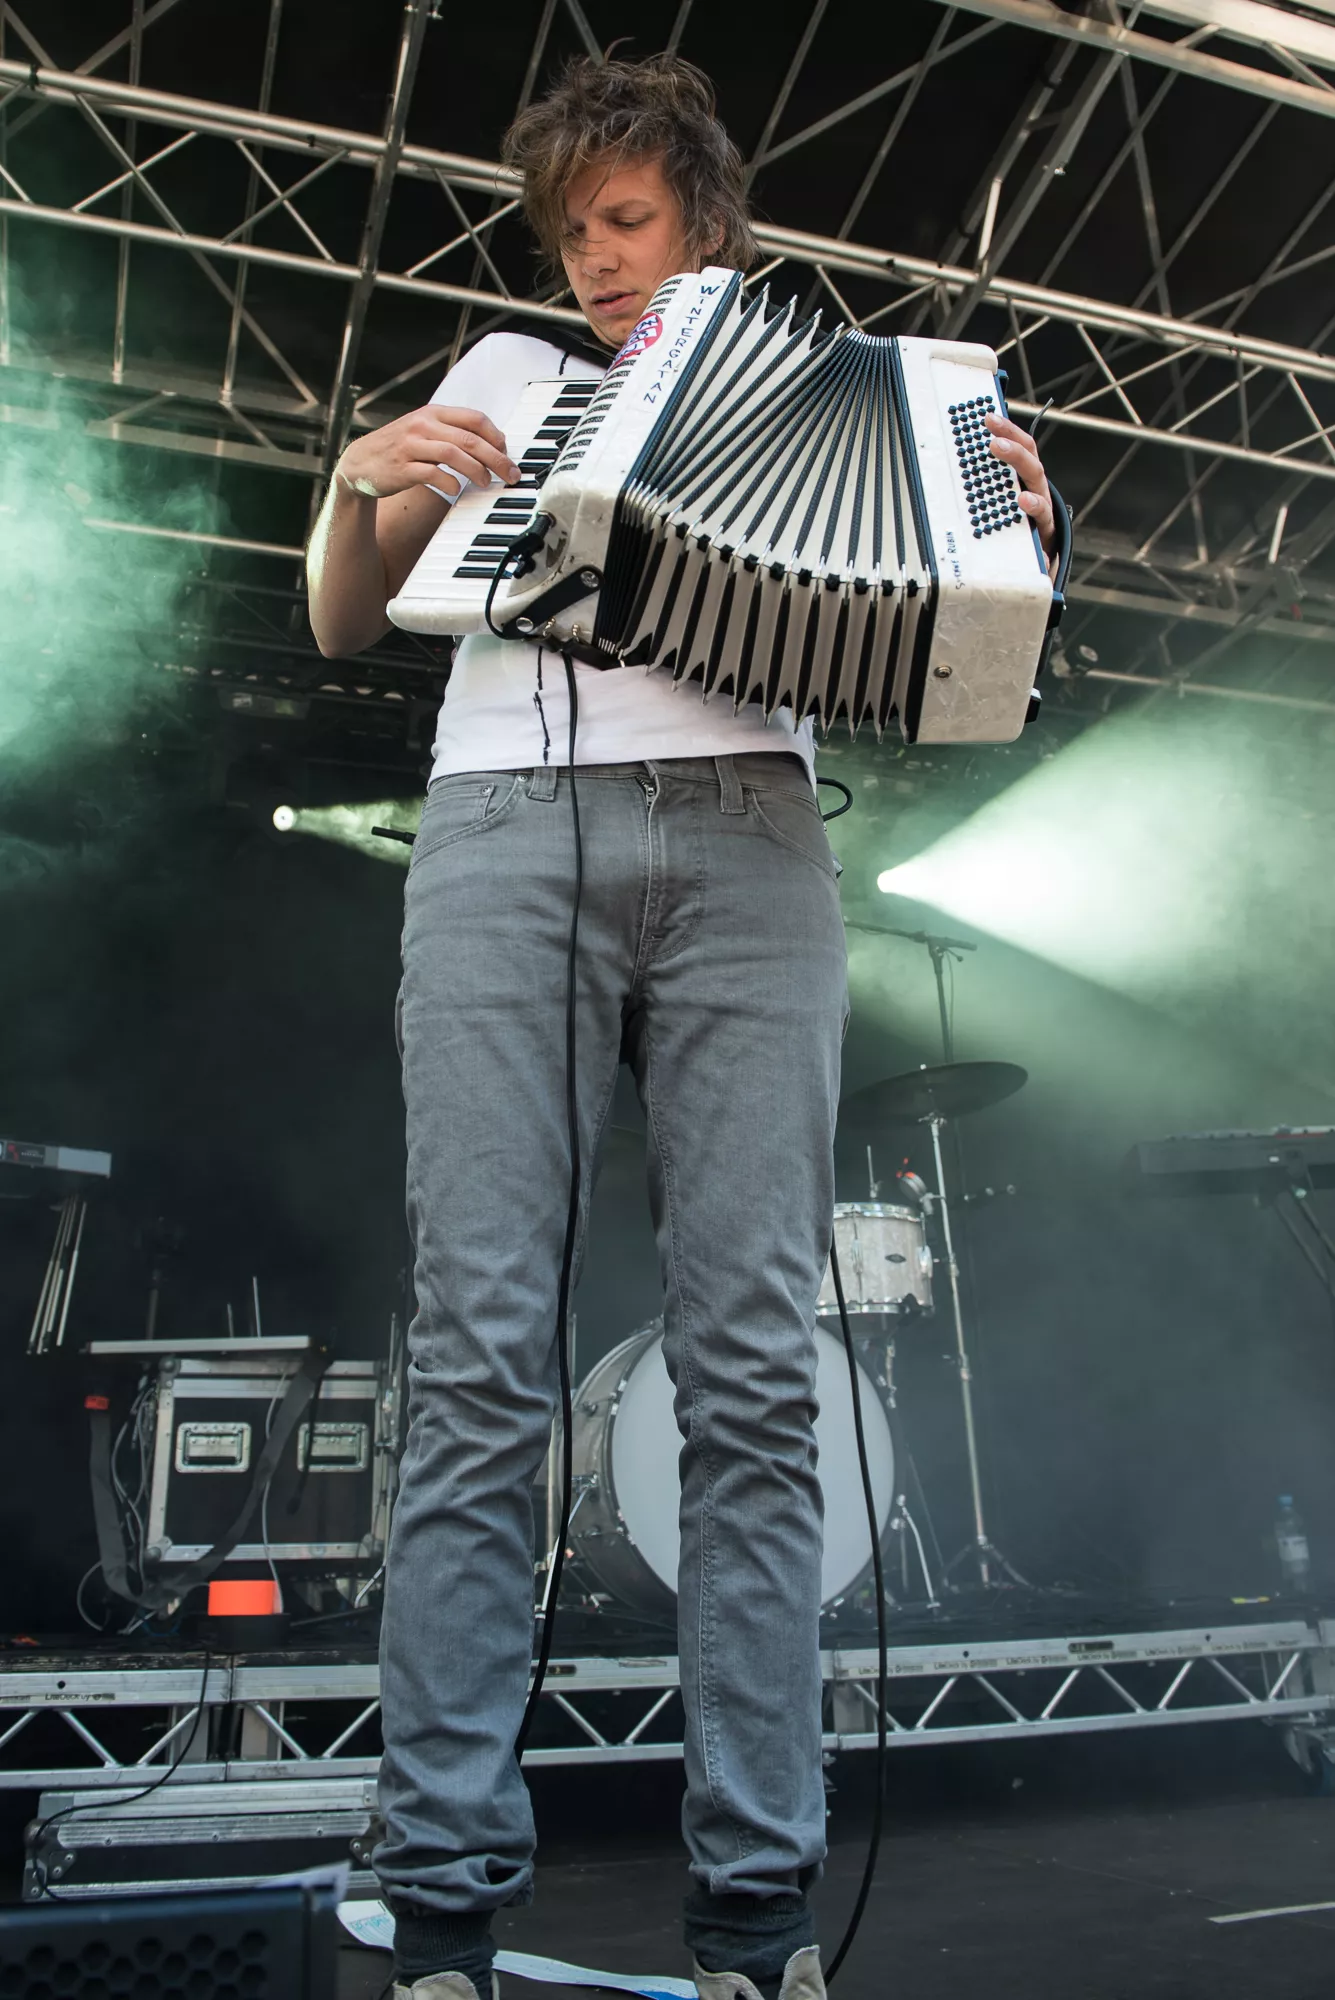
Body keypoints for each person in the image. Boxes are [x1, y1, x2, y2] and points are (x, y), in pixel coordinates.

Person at [306, 53, 1061, 2000]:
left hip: (747, 838)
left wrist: (1009, 519)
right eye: (570, 231)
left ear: (706, 219)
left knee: (753, 1371)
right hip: (505, 829)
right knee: (481, 1350)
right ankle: (441, 1903)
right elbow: (339, 617)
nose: (593, 260)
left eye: (625, 220)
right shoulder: (503, 374)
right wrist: (360, 486)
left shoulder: (843, 395)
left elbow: (973, 640)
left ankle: (756, 1917)